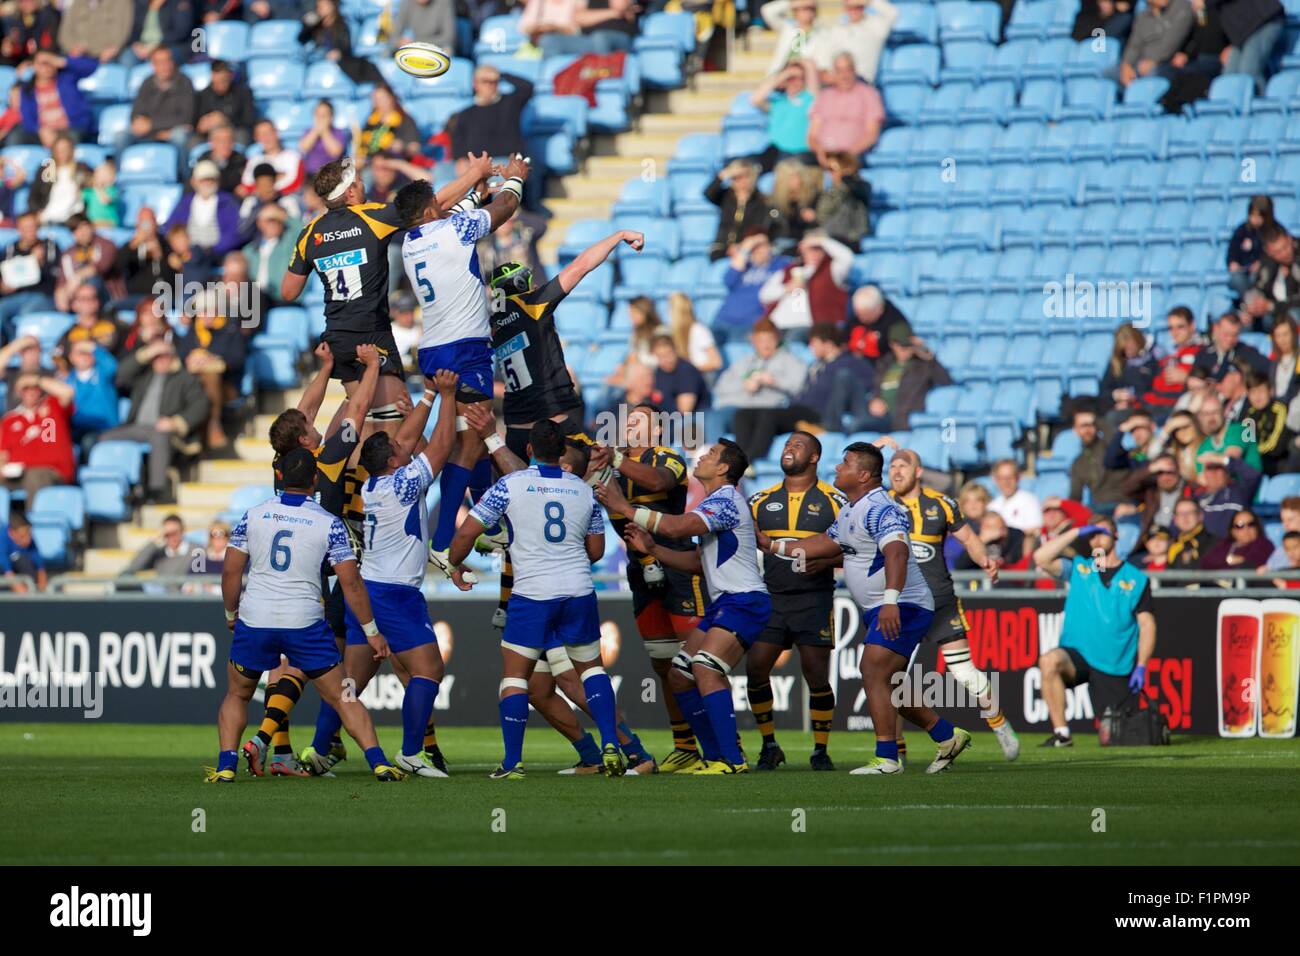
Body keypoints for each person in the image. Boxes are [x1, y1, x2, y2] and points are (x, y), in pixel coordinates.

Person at [759, 441, 970, 774]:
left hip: (905, 604)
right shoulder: (851, 509)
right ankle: (947, 736)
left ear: (864, 474)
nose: (838, 468)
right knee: (892, 683)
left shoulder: (881, 508)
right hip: (887, 606)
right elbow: (825, 543)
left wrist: (890, 602)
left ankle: (887, 757)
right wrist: (774, 545)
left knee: (872, 670)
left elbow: (897, 552)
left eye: (845, 463)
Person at [211, 446, 407, 784]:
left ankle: (226, 766)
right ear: (315, 479)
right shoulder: (328, 523)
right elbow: (351, 582)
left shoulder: (253, 514)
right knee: (343, 695)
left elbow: (231, 572)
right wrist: (372, 630)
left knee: (238, 693)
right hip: (303, 621)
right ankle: (378, 762)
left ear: (281, 476)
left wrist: (232, 613)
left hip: (256, 618)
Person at [305, 370, 461, 779]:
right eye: (397, 448)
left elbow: (405, 442)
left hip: (370, 590)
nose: (403, 447)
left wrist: (425, 397)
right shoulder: (405, 484)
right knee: (429, 671)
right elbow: (442, 446)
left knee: (351, 683)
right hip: (395, 593)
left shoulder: (375, 485)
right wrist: (446, 396)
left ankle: (319, 750)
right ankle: (412, 752)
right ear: (394, 461)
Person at [452, 419, 627, 778]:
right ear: (561, 452)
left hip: (532, 594)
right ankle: (611, 746)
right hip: (577, 590)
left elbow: (469, 530)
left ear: (529, 450)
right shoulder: (583, 490)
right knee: (591, 669)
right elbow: (596, 551)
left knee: (516, 678)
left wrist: (455, 564)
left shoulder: (509, 485)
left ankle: (512, 763)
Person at [280, 154, 488, 441]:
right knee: (397, 435)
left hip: (338, 338)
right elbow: (429, 207)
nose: (364, 185)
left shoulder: (309, 233)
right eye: (360, 181)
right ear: (350, 191)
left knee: (365, 427)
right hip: (371, 335)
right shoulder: (371, 217)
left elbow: (288, 291)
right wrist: (474, 173)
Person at [597, 438, 772, 774]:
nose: (703, 456)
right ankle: (712, 756)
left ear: (723, 468)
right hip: (726, 604)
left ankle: (732, 760)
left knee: (705, 670)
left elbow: (677, 526)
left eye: (711, 455)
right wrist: (653, 548)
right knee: (679, 675)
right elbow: (697, 562)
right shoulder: (715, 503)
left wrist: (625, 506)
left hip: (745, 601)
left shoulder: (726, 500)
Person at [394, 153, 532, 577]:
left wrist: (476, 185)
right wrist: (515, 181)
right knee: (472, 442)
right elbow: (505, 210)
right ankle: (442, 541)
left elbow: (459, 212)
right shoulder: (454, 229)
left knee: (464, 440)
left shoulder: (410, 240)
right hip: (464, 348)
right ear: (431, 208)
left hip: (434, 347)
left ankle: (485, 521)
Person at [264, 343, 387, 776]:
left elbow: (303, 411)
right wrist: (372, 366)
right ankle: (276, 742)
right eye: (309, 427)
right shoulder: (327, 460)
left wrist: (327, 367)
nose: (314, 422)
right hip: (322, 573)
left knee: (284, 664)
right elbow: (359, 405)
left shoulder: (283, 465)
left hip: (284, 573)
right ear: (303, 440)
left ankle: (285, 750)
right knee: (314, 664)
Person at [880, 441, 1021, 760]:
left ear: (918, 472)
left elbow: (969, 539)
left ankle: (999, 725)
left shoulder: (941, 504)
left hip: (940, 599)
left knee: (964, 672)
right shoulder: (881, 503)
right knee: (891, 678)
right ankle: (896, 754)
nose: (896, 470)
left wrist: (985, 560)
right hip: (901, 604)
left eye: (903, 465)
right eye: (892, 466)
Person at [745, 432, 846, 771]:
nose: (789, 448)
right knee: (756, 668)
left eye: (798, 445)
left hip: (814, 599)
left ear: (815, 457)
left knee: (816, 675)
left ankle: (820, 750)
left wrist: (828, 562)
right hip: (770, 598)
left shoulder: (835, 500)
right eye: (787, 444)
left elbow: (857, 549)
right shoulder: (760, 500)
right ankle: (770, 745)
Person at [1033, 517, 1157, 748]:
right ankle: (1062, 734)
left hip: (1114, 661)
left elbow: (1147, 625)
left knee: (1119, 737)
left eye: (1103, 532)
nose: (1097, 538)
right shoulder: (1081, 568)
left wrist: (1142, 664)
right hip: (1078, 654)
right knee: (1049, 661)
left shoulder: (1135, 579)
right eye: (1092, 535)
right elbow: (1041, 558)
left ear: (1116, 536)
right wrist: (1076, 531)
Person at [732, 322, 873, 461]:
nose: (810, 347)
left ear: (828, 344)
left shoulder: (849, 363)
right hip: (798, 410)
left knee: (770, 415)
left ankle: (750, 460)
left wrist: (875, 398)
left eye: (814, 343)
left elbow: (868, 382)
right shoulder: (816, 365)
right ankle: (738, 460)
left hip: (819, 414)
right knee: (744, 414)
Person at [99, 337, 209, 501]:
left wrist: (176, 422)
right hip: (135, 427)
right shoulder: (144, 377)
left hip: (163, 431)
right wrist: (146, 352)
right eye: (156, 357)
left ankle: (157, 490)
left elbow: (200, 405)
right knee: (103, 438)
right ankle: (117, 491)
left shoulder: (184, 379)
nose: (161, 360)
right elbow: (121, 373)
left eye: (164, 356)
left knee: (159, 437)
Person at [711, 318, 808, 429]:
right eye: (761, 341)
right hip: (733, 407)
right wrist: (743, 385)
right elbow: (720, 388)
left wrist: (774, 381)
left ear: (777, 339)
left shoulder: (790, 360)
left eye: (770, 340)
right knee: (699, 418)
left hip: (763, 410)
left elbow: (800, 387)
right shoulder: (744, 362)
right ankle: (699, 446)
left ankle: (706, 445)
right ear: (753, 340)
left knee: (713, 420)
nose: (766, 345)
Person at [0, 372, 76, 500]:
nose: (30, 392)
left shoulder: (54, 406)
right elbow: (3, 454)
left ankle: (37, 519)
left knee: (35, 476)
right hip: (18, 473)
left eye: (34, 388)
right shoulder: (10, 420)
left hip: (53, 472)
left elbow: (68, 392)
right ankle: (14, 519)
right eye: (26, 388)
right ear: (19, 392)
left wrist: (35, 379)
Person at [759, 230, 854, 331]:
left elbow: (848, 258)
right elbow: (764, 295)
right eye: (811, 249)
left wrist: (821, 241)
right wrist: (787, 288)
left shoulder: (832, 269)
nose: (815, 253)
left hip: (810, 327)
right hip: (777, 324)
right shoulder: (789, 270)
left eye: (819, 249)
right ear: (802, 249)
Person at [715, 229, 792, 344]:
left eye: (763, 246)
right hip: (722, 320)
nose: (759, 250)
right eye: (755, 247)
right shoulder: (744, 264)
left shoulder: (780, 265)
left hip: (752, 324)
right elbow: (728, 281)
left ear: (770, 247)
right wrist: (747, 246)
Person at [807, 53, 885, 162]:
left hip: (853, 156)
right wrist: (821, 152)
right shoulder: (824, 96)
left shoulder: (869, 94)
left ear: (854, 71)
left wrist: (846, 155)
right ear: (834, 73)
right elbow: (812, 135)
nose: (844, 75)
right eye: (840, 71)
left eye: (848, 69)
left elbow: (872, 134)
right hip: (824, 156)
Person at [448, 64, 533, 161]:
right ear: (475, 84)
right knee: (441, 170)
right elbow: (458, 144)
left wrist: (501, 75)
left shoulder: (511, 103)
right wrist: (461, 160)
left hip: (503, 163)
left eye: (493, 82)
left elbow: (527, 87)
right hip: (474, 164)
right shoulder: (465, 114)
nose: (489, 85)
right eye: (485, 81)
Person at [164, 160, 242, 261]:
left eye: (211, 179)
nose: (207, 183)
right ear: (194, 182)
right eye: (203, 180)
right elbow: (170, 227)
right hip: (189, 255)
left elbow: (236, 232)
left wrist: (213, 249)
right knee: (176, 269)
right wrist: (180, 247)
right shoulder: (185, 203)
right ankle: (179, 277)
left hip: (218, 256)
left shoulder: (228, 202)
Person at [16, 50, 97, 148]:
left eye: (50, 62)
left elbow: (92, 67)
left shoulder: (67, 78)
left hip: (70, 129)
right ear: (34, 66)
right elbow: (27, 118)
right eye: (43, 63)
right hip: (42, 132)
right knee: (17, 137)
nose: (47, 67)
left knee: (69, 140)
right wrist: (40, 130)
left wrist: (63, 61)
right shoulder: (27, 89)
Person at [748, 61, 817, 172]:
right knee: (746, 165)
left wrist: (800, 62)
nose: (794, 81)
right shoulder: (777, 102)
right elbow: (755, 99)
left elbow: (811, 68)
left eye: (799, 78)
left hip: (801, 152)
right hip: (776, 151)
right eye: (791, 78)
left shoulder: (808, 100)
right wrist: (786, 74)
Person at [705, 160, 780, 261]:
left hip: (747, 247)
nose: (742, 181)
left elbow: (758, 227)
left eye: (746, 176)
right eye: (736, 178)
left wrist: (742, 246)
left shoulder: (761, 201)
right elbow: (708, 193)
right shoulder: (726, 196)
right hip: (722, 247)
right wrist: (724, 174)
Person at [0, 211, 59, 337]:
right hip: (14, 297)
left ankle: (18, 347)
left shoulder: (50, 247)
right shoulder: (9, 250)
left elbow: (55, 277)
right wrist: (3, 287)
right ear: (19, 229)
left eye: (34, 227)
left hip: (42, 295)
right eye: (26, 228)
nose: (31, 231)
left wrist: (40, 263)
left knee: (27, 313)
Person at [126, 46, 195, 152]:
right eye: (160, 62)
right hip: (149, 133)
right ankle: (121, 168)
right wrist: (150, 129)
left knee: (179, 136)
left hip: (172, 131)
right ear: (153, 65)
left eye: (168, 60)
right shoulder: (147, 83)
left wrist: (152, 125)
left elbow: (186, 118)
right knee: (122, 136)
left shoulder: (185, 82)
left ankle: (182, 169)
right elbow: (136, 114)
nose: (165, 66)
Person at [1113, 0, 1194, 87]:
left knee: (1151, 75)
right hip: (1140, 62)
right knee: (1110, 73)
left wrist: (1153, 61)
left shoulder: (1182, 8)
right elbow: (1134, 45)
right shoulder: (1144, 15)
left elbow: (1171, 42)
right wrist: (1126, 64)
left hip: (1166, 62)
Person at [1123, 452, 1195, 544]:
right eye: (1160, 472)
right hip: (1151, 542)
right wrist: (1150, 469)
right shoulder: (1151, 491)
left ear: (1178, 470)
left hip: (1178, 542)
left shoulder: (1190, 490)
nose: (1165, 477)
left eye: (1169, 472)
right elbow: (1127, 488)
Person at [1068, 409, 1129, 509]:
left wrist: (1096, 419)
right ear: (1076, 430)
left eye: (1091, 425)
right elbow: (1075, 496)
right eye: (1083, 426)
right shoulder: (1078, 463)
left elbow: (1115, 439)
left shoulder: (1108, 446)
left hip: (1124, 501)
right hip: (1100, 507)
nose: (1087, 430)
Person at [1194, 447, 1261, 538]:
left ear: (1226, 472)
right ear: (1204, 473)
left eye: (1218, 467)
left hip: (1235, 544)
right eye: (1210, 468)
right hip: (1207, 547)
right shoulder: (1197, 497)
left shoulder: (1238, 492)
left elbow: (1253, 475)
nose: (1214, 472)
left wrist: (1224, 459)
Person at [1146, 306, 1206, 408]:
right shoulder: (1167, 356)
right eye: (1171, 328)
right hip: (1157, 406)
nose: (1174, 333)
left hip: (1182, 407)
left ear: (1192, 326)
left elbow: (1210, 385)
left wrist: (1186, 378)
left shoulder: (1203, 353)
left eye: (1180, 327)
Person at [28, 132, 90, 225]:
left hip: (74, 219)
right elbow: (34, 195)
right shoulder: (47, 169)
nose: (62, 152)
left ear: (72, 150)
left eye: (66, 149)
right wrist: (38, 211)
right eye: (59, 149)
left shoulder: (81, 168)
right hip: (48, 216)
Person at [1246, 224, 1300, 330]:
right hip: (1274, 311)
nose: (1285, 253)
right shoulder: (1267, 263)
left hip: (1293, 310)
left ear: (1290, 239)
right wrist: (1253, 305)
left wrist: (1272, 306)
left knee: (1290, 317)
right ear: (1268, 252)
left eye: (1285, 247)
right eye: (1278, 252)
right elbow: (1258, 286)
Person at [815, 151, 871, 249]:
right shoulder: (831, 190)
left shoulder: (859, 186)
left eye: (832, 169)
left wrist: (845, 181)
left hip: (849, 238)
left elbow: (861, 191)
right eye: (827, 169)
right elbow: (822, 213)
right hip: (830, 235)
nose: (829, 173)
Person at [1100, 323, 1160, 414]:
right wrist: (1115, 395)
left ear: (1138, 341)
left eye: (1130, 348)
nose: (1127, 353)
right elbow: (1103, 392)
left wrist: (1134, 400)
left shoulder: (1153, 359)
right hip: (1120, 409)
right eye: (1124, 350)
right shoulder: (1116, 362)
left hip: (1145, 409)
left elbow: (1157, 391)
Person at [193, 60, 257, 143]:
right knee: (193, 141)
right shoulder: (202, 95)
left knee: (242, 135)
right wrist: (201, 126)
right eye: (217, 82)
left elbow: (249, 120)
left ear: (230, 76)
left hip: (233, 133)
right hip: (209, 135)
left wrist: (225, 120)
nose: (221, 85)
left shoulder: (243, 93)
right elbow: (196, 122)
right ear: (212, 77)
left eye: (224, 81)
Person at [1242, 370, 1291, 474]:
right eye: (1253, 392)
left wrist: (1254, 452)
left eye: (1261, 391)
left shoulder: (1279, 409)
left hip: (1277, 464)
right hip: (1256, 463)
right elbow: (1246, 441)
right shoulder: (1249, 413)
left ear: (1270, 391)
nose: (1257, 396)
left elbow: (1276, 446)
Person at [762, 0, 831, 75]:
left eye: (809, 8)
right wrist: (793, 3)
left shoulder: (822, 35)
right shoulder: (787, 28)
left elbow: (823, 66)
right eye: (800, 8)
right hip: (778, 75)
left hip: (803, 79)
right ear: (795, 11)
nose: (805, 12)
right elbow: (767, 10)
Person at [836, 0, 898, 83]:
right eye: (850, 7)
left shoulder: (875, 27)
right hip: (839, 83)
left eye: (858, 7)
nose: (854, 10)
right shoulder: (838, 29)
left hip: (863, 83)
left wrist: (868, 1)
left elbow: (892, 13)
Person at [238, 120, 305, 197]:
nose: (266, 138)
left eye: (269, 133)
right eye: (261, 134)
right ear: (256, 138)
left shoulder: (294, 157)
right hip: (259, 200)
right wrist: (276, 177)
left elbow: (295, 183)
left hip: (286, 199)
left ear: (276, 133)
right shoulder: (254, 160)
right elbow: (247, 184)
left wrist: (262, 184)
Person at [1227, 195, 1274, 297]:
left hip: (1263, 274)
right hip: (1243, 272)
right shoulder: (1242, 231)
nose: (1255, 219)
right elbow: (1233, 250)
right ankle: (1251, 302)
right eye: (1252, 215)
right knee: (1236, 279)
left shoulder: (1272, 232)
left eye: (1259, 216)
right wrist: (1233, 262)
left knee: (1258, 277)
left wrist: (1261, 263)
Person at [1200, 507, 1273, 570]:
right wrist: (1228, 561)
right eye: (1240, 526)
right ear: (1232, 531)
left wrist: (1243, 561)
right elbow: (1206, 563)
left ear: (1257, 527)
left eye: (1251, 524)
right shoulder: (1225, 545)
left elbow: (1255, 564)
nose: (1246, 529)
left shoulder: (1265, 545)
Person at [124, 512, 192, 576]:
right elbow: (134, 567)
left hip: (187, 587)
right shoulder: (159, 553)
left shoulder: (195, 550)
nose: (171, 537)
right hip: (161, 588)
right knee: (125, 576)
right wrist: (155, 539)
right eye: (167, 534)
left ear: (182, 531)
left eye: (175, 533)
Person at [989, 458, 1043, 534]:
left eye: (1010, 477)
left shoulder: (1029, 501)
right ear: (995, 479)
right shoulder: (992, 505)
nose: (1006, 482)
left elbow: (1035, 530)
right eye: (1001, 478)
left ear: (1018, 477)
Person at [298, 99, 351, 177]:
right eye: (317, 115)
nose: (320, 119)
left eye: (324, 116)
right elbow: (303, 148)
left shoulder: (338, 132)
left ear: (331, 117)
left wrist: (325, 132)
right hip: (311, 175)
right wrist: (315, 131)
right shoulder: (309, 131)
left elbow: (335, 152)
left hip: (332, 175)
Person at [389, 0, 457, 55]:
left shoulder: (445, 3)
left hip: (437, 47)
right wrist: (399, 42)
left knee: (447, 50)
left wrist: (416, 43)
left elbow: (449, 37)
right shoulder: (406, 3)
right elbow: (394, 36)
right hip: (415, 48)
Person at [1168, 497, 1217, 567]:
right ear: (1175, 519)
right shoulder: (1172, 544)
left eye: (1190, 512)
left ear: (1200, 516)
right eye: (1180, 513)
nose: (1185, 517)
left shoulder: (1213, 543)